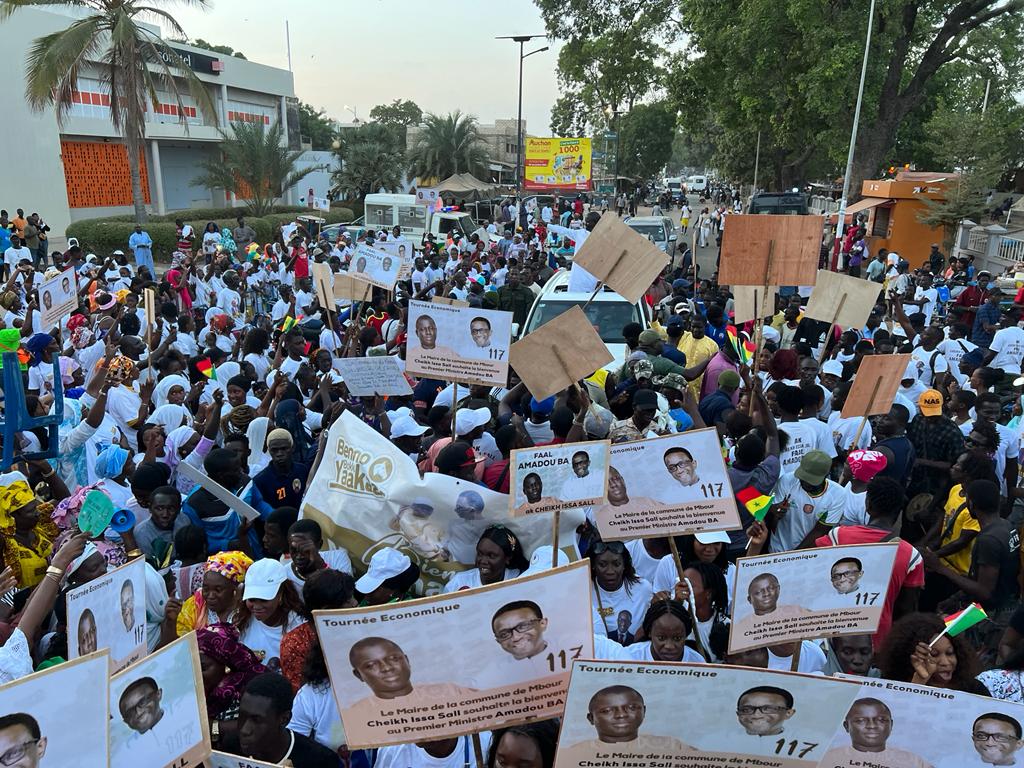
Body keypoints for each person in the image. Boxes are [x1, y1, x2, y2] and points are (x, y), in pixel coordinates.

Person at [346, 637, 477, 723]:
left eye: (394, 659)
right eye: (371, 665)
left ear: (407, 660)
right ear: (358, 675)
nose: (386, 668)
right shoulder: (358, 715)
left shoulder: (450, 692)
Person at [227, 673, 341, 766]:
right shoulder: (231, 747)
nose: (244, 730)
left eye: (256, 720)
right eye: (242, 716)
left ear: (284, 719)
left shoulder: (321, 762)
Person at [559, 685, 694, 763]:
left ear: (644, 711)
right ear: (591, 718)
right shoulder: (575, 754)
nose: (621, 715)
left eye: (632, 708)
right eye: (607, 711)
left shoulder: (672, 747)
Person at [821, 697, 934, 768]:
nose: (872, 726)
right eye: (860, 721)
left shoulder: (915, 763)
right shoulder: (825, 759)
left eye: (881, 720)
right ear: (846, 726)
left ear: (891, 725)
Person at [590, 541, 653, 643]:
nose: (610, 571)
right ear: (593, 566)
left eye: (616, 564)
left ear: (624, 565)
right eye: (602, 565)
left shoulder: (643, 589)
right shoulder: (584, 590)